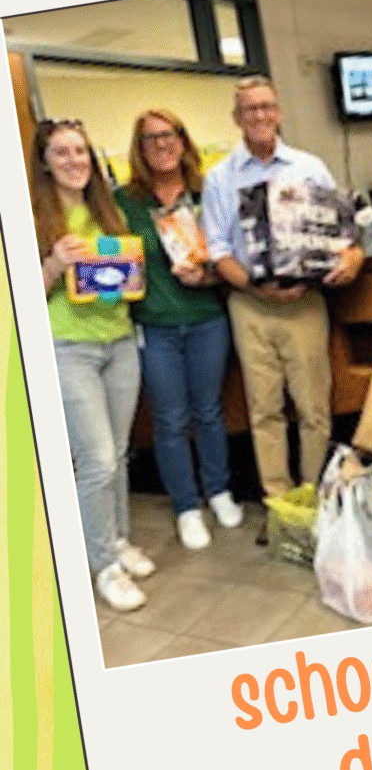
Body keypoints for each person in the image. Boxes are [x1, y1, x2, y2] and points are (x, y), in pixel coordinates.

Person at [202, 76, 364, 539]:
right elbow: (217, 251)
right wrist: (257, 288)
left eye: (266, 107)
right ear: (236, 119)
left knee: (314, 407)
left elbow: (344, 234)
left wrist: (351, 258)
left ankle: (315, 498)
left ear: (279, 112)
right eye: (248, 109)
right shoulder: (220, 178)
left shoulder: (310, 168)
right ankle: (280, 504)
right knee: (264, 410)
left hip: (306, 302)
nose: (258, 115)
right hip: (250, 305)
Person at [32, 118, 155, 611]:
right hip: (68, 346)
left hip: (120, 340)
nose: (73, 161)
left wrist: (132, 271)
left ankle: (120, 539)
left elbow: (126, 275)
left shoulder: (106, 209)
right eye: (61, 153)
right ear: (44, 161)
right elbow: (19, 295)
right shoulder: (32, 218)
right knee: (97, 459)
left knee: (119, 453)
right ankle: (102, 564)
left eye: (80, 151)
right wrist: (54, 264)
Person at [114, 110, 244, 550]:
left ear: (183, 141)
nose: (162, 145)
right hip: (156, 326)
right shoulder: (124, 201)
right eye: (151, 139)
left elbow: (230, 252)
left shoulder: (207, 192)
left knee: (209, 410)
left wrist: (207, 277)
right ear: (140, 148)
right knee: (170, 419)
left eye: (169, 136)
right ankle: (187, 506)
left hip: (208, 316)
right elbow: (117, 262)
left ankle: (219, 491)